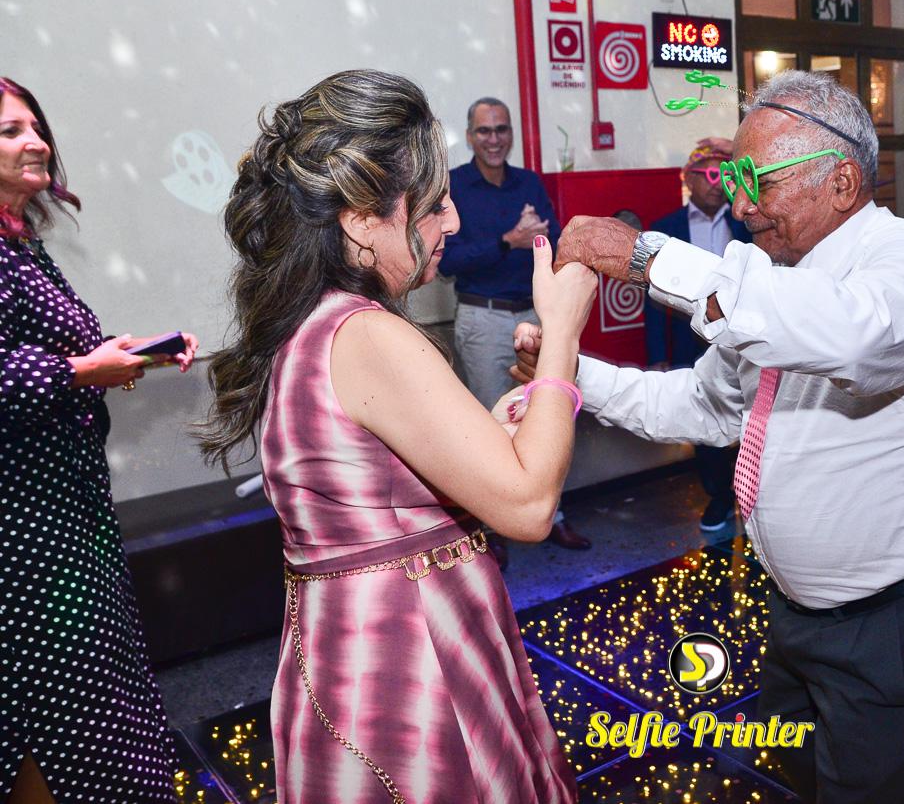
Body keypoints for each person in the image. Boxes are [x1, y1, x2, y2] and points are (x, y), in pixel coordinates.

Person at [518, 71, 904, 803]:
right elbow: (708, 404)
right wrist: (572, 374)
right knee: (810, 770)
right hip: (801, 614)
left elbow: (852, 336)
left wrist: (646, 257)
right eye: (732, 180)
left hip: (897, 622)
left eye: (754, 180)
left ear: (840, 182)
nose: (739, 204)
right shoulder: (772, 283)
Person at [199, 70, 590, 803]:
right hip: (410, 651)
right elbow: (531, 505)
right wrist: (563, 332)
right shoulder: (367, 333)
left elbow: (380, 477)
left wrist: (501, 423)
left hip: (354, 647)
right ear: (360, 220)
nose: (454, 222)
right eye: (435, 203)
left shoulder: (314, 320)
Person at [0, 78, 198, 802]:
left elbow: (47, 353)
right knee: (64, 704)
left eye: (36, 127)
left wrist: (123, 354)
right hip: (26, 537)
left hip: (68, 516)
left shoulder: (22, 245)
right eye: (10, 132)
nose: (37, 142)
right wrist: (85, 370)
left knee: (88, 698)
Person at [437, 96, 590, 560]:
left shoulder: (528, 182)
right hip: (483, 317)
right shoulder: (453, 186)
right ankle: (491, 529)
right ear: (470, 136)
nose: (494, 139)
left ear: (511, 134)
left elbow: (554, 240)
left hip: (533, 317)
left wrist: (538, 238)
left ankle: (553, 516)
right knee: (491, 425)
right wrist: (510, 241)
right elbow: (447, 262)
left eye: (501, 129)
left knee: (550, 415)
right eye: (484, 131)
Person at [644, 142, 750, 531]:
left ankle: (752, 494)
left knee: (751, 413)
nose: (716, 182)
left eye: (724, 174)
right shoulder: (667, 228)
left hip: (744, 336)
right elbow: (652, 297)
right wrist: (658, 355)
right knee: (706, 417)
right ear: (688, 179)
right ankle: (719, 496)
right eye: (707, 174)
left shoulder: (745, 222)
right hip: (690, 337)